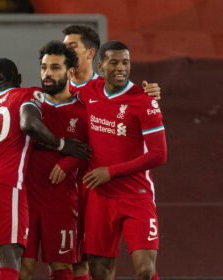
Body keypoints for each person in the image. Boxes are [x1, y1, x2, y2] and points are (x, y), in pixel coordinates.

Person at [0, 58, 91, 280]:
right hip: (5, 184)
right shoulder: (27, 94)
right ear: (19, 79)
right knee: (10, 260)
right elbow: (29, 124)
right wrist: (62, 144)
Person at [62, 24, 162, 280]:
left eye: (126, 63)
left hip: (135, 195)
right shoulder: (87, 93)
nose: (121, 68)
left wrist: (112, 172)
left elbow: (159, 155)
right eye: (114, 63)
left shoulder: (144, 101)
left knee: (146, 270)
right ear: (101, 68)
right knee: (99, 271)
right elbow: (53, 101)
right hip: (100, 198)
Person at [20, 41, 88, 280]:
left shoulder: (83, 111)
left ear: (70, 72)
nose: (47, 73)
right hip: (25, 201)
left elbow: (92, 151)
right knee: (21, 270)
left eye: (55, 67)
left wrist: (67, 162)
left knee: (61, 269)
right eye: (44, 67)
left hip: (60, 201)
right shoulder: (32, 105)